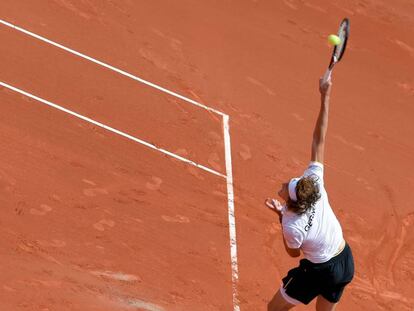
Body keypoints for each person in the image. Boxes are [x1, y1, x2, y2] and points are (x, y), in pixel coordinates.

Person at [265, 77, 354, 311]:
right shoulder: (315, 184)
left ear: (293, 201)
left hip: (320, 270)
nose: (285, 183)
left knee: (274, 309)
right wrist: (325, 95)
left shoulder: (291, 224)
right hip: (344, 259)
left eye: (287, 186)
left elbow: (293, 252)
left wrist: (281, 218)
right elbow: (319, 139)